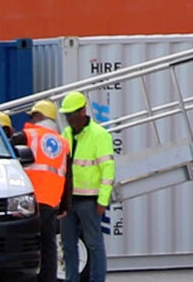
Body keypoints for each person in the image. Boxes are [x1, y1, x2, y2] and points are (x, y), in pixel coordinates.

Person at [58, 91, 118, 282]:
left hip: (90, 200)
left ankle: (97, 279)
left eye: (72, 114)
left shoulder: (99, 135)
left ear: (83, 111)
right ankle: (71, 279)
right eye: (66, 115)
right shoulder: (66, 134)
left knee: (94, 244)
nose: (68, 119)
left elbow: (108, 170)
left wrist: (102, 200)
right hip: (69, 200)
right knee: (68, 244)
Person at [14, 101, 68, 280]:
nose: (31, 119)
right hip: (52, 200)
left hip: (31, 199)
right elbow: (69, 176)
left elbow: (5, 151)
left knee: (25, 243)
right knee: (48, 245)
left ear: (40, 116)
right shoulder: (62, 142)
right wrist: (64, 205)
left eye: (33, 115)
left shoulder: (28, 135)